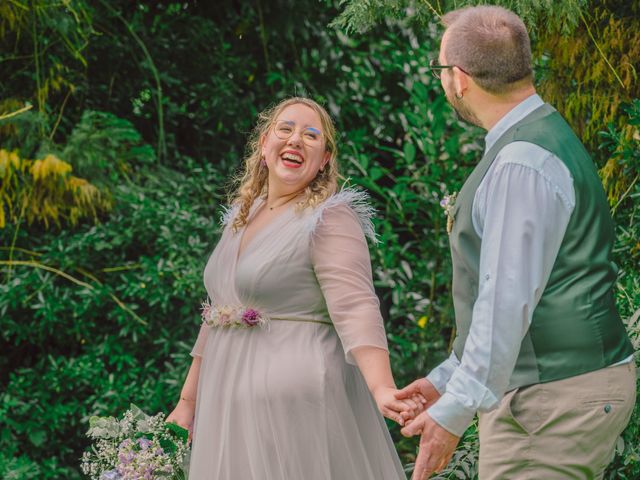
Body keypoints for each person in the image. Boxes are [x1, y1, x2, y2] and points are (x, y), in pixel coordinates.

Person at [396, 5, 636, 480]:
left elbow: (506, 301)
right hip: (560, 391)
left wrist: (452, 415)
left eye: (441, 70)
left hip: (552, 402)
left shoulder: (520, 163)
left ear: (459, 79)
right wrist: (448, 380)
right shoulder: (537, 139)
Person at [167, 97, 420, 479]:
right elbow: (218, 314)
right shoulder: (240, 217)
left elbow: (356, 307)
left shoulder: (328, 217)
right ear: (265, 145)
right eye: (285, 129)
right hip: (229, 403)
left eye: (311, 135)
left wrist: (383, 387)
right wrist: (188, 403)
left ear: (324, 161)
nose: (296, 140)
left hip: (296, 405)